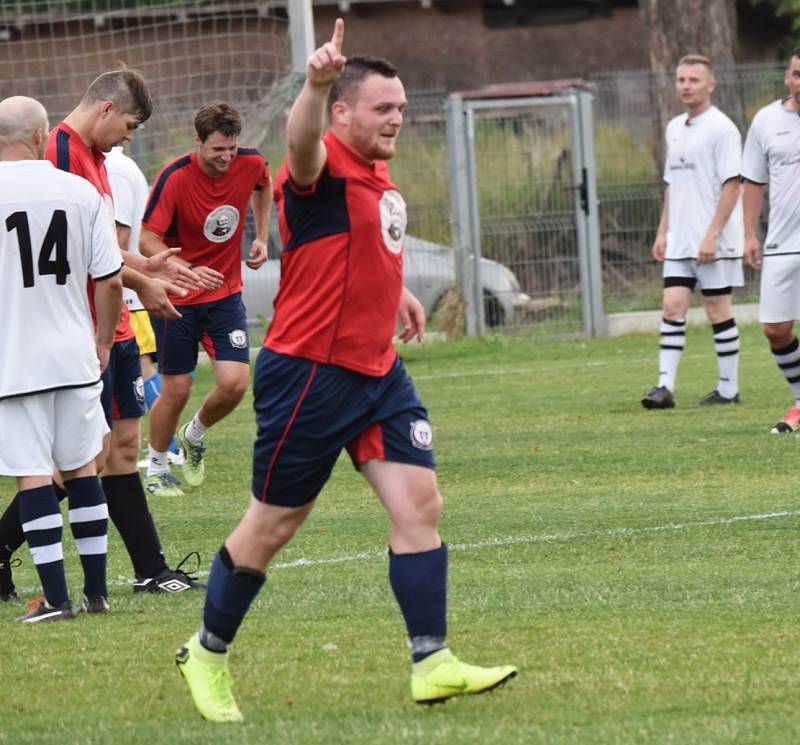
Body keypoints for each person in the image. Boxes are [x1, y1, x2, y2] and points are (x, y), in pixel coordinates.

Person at [174, 19, 517, 723]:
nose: (397, 117)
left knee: (421, 505)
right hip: (310, 375)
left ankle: (432, 661)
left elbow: (359, 249)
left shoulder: (377, 173)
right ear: (343, 111)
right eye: (382, 108)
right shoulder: (319, 164)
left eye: (400, 107)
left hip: (377, 372)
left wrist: (398, 292)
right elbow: (298, 146)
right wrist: (314, 82)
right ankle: (206, 652)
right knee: (274, 525)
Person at [0, 69, 206, 600]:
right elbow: (94, 266)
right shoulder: (61, 156)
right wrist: (143, 283)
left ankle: (147, 568)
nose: (128, 137)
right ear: (107, 109)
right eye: (130, 125)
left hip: (104, 326)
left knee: (118, 448)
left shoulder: (92, 158)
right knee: (85, 457)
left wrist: (148, 268)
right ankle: (18, 556)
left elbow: (104, 253)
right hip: (86, 328)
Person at [0, 95, 122, 621]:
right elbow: (111, 278)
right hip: (75, 354)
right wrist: (102, 340)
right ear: (40, 135)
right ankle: (96, 594)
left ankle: (55, 600)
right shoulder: (80, 192)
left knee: (32, 474)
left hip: (14, 357)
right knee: (81, 470)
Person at [140, 100, 270, 498]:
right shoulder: (175, 177)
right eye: (217, 150)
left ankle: (194, 435)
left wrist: (262, 235)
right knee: (176, 388)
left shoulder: (250, 163)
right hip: (177, 299)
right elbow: (147, 239)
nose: (226, 157)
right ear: (197, 141)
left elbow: (264, 185)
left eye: (231, 148)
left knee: (234, 384)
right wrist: (188, 270)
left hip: (225, 295)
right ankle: (158, 466)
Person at [641, 54, 744, 410]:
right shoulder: (674, 127)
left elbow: (733, 185)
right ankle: (663, 388)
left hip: (712, 243)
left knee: (718, 311)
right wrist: (662, 231)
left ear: (710, 85)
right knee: (672, 307)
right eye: (681, 79)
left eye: (694, 80)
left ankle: (729, 389)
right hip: (679, 241)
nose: (686, 86)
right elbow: (673, 184)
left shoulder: (723, 129)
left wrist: (712, 234)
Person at [105, 144, 181, 460]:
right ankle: (168, 447)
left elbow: (118, 237)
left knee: (142, 369)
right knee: (142, 369)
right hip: (125, 288)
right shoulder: (115, 165)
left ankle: (170, 448)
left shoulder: (115, 170)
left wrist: (120, 278)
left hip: (123, 290)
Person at [742, 48, 800, 433]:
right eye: (797, 74)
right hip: (783, 240)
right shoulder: (766, 120)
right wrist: (749, 233)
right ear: (786, 76)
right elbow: (753, 180)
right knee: (775, 328)